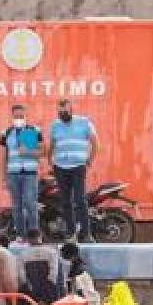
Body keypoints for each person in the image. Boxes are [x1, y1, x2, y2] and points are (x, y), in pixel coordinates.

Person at [46, 98, 99, 242]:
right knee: (65, 202)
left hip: (78, 166)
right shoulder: (55, 125)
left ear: (71, 110)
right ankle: (71, 234)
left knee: (80, 199)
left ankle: (86, 234)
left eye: (65, 111)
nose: (62, 114)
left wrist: (90, 160)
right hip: (60, 167)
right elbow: (52, 144)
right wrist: (50, 160)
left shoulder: (84, 122)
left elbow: (95, 143)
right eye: (60, 112)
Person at [1, 103, 42, 238]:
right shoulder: (6, 132)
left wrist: (28, 151)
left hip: (30, 174)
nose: (19, 118)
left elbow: (43, 151)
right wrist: (3, 178)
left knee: (31, 204)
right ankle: (21, 236)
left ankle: (34, 235)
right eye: (16, 116)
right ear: (12, 116)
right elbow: (3, 157)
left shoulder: (33, 130)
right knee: (17, 206)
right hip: (13, 174)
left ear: (26, 116)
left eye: (21, 116)